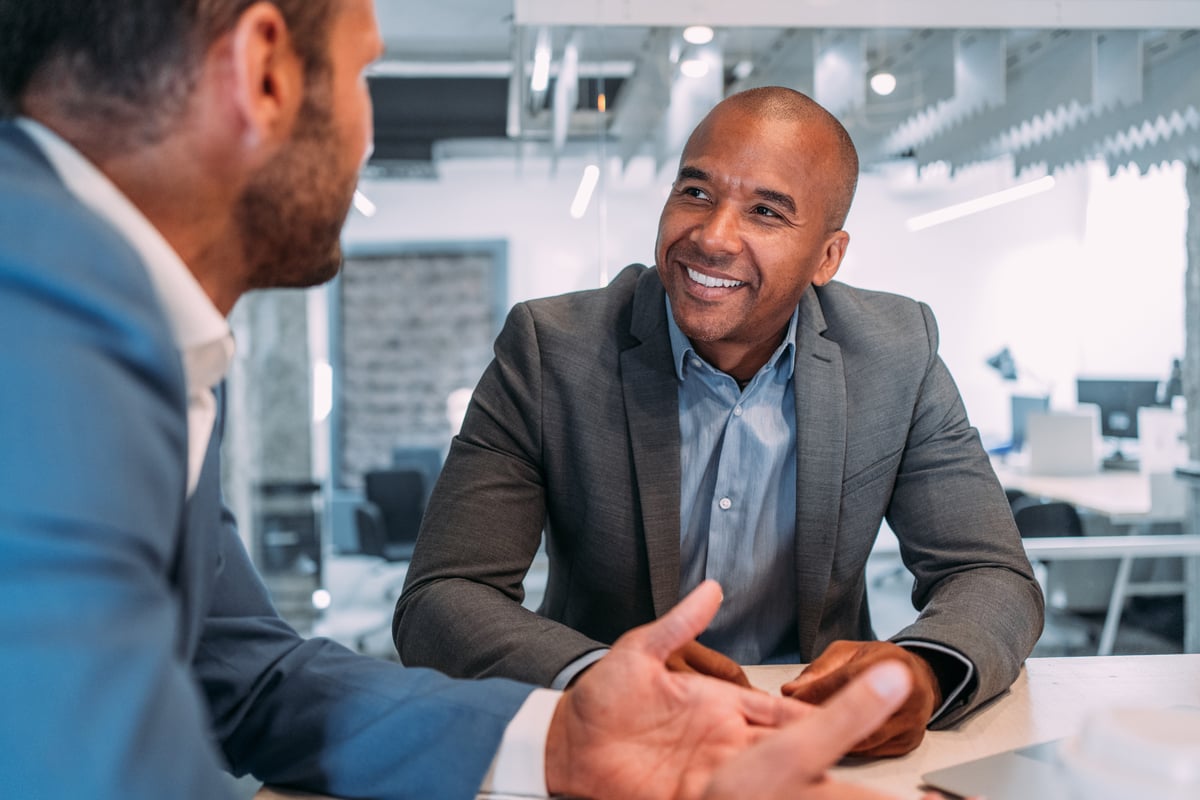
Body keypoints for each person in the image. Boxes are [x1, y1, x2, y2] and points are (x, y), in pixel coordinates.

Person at [0, 2, 932, 799]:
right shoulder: (44, 333)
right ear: (265, 73)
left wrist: (558, 740)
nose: (369, 133)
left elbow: (245, 676)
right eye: (366, 71)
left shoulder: (126, 327)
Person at [395, 85, 1046, 757]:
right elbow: (443, 597)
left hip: (816, 740)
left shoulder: (895, 353)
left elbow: (992, 574)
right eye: (696, 194)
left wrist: (924, 669)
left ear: (828, 257)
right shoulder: (551, 350)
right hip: (609, 741)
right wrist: (597, 676)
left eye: (766, 212)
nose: (711, 237)